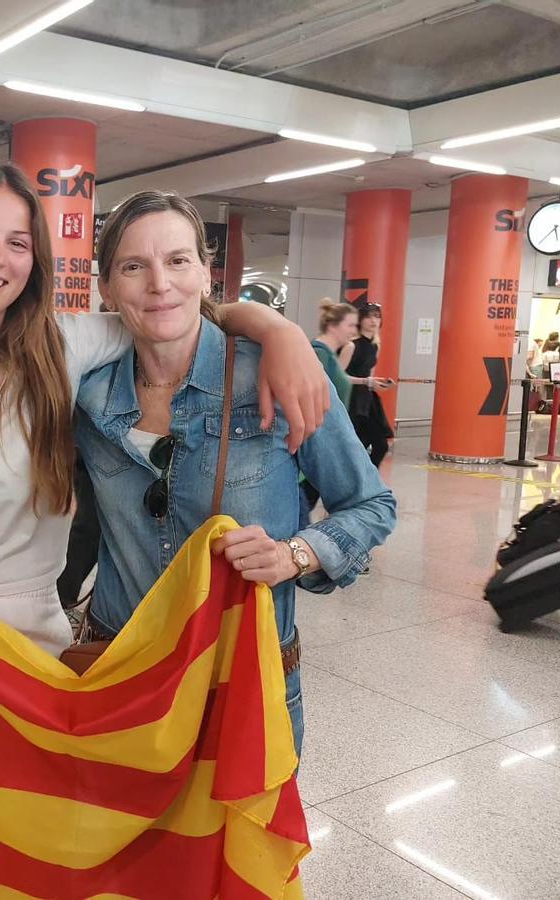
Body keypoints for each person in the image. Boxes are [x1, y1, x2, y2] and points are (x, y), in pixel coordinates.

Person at [0, 161, 331, 655]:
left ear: (34, 262)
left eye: (17, 242)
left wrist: (277, 329)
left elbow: (169, 309)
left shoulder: (64, 345)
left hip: (37, 637)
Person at [72, 191, 397, 754]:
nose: (159, 283)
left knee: (236, 838)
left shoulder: (271, 376)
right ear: (107, 287)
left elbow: (371, 504)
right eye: (133, 266)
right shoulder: (88, 390)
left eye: (177, 260)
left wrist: (296, 554)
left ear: (204, 272)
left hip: (242, 674)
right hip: (120, 667)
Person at [301, 299, 359, 510]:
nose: (354, 330)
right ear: (333, 326)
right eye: (350, 325)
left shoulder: (330, 355)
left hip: (326, 437)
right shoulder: (319, 354)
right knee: (304, 499)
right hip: (317, 439)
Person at [341, 302, 394, 467]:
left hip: (367, 399)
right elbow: (338, 376)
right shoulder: (351, 345)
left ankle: (368, 483)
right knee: (351, 446)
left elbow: (368, 375)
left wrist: (378, 384)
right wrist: (365, 381)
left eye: (377, 316)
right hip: (350, 399)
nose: (374, 321)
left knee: (381, 444)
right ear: (360, 319)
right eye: (369, 316)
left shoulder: (374, 346)